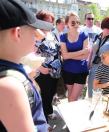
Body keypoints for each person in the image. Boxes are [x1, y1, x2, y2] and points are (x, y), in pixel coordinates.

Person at [0, 0, 53, 131]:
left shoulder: (11, 68)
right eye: (34, 30)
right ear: (17, 34)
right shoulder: (9, 86)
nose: (37, 36)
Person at [34, 10, 62, 122]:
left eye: (51, 21)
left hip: (55, 72)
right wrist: (40, 68)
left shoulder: (53, 34)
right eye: (46, 21)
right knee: (44, 96)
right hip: (43, 73)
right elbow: (30, 54)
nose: (49, 23)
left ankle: (49, 112)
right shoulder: (37, 35)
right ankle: (44, 121)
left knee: (50, 94)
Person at [60, 12, 90, 102]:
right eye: (73, 22)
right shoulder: (63, 36)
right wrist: (81, 52)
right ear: (67, 24)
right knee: (70, 96)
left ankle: (71, 115)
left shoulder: (84, 35)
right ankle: (69, 115)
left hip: (81, 71)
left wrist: (68, 56)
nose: (76, 24)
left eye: (78, 22)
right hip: (67, 70)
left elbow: (85, 56)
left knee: (73, 98)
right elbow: (64, 56)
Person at [87, 16, 109, 98]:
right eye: (107, 28)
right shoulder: (98, 36)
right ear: (103, 27)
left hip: (104, 70)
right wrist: (89, 62)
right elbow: (92, 50)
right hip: (94, 67)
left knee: (100, 94)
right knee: (90, 91)